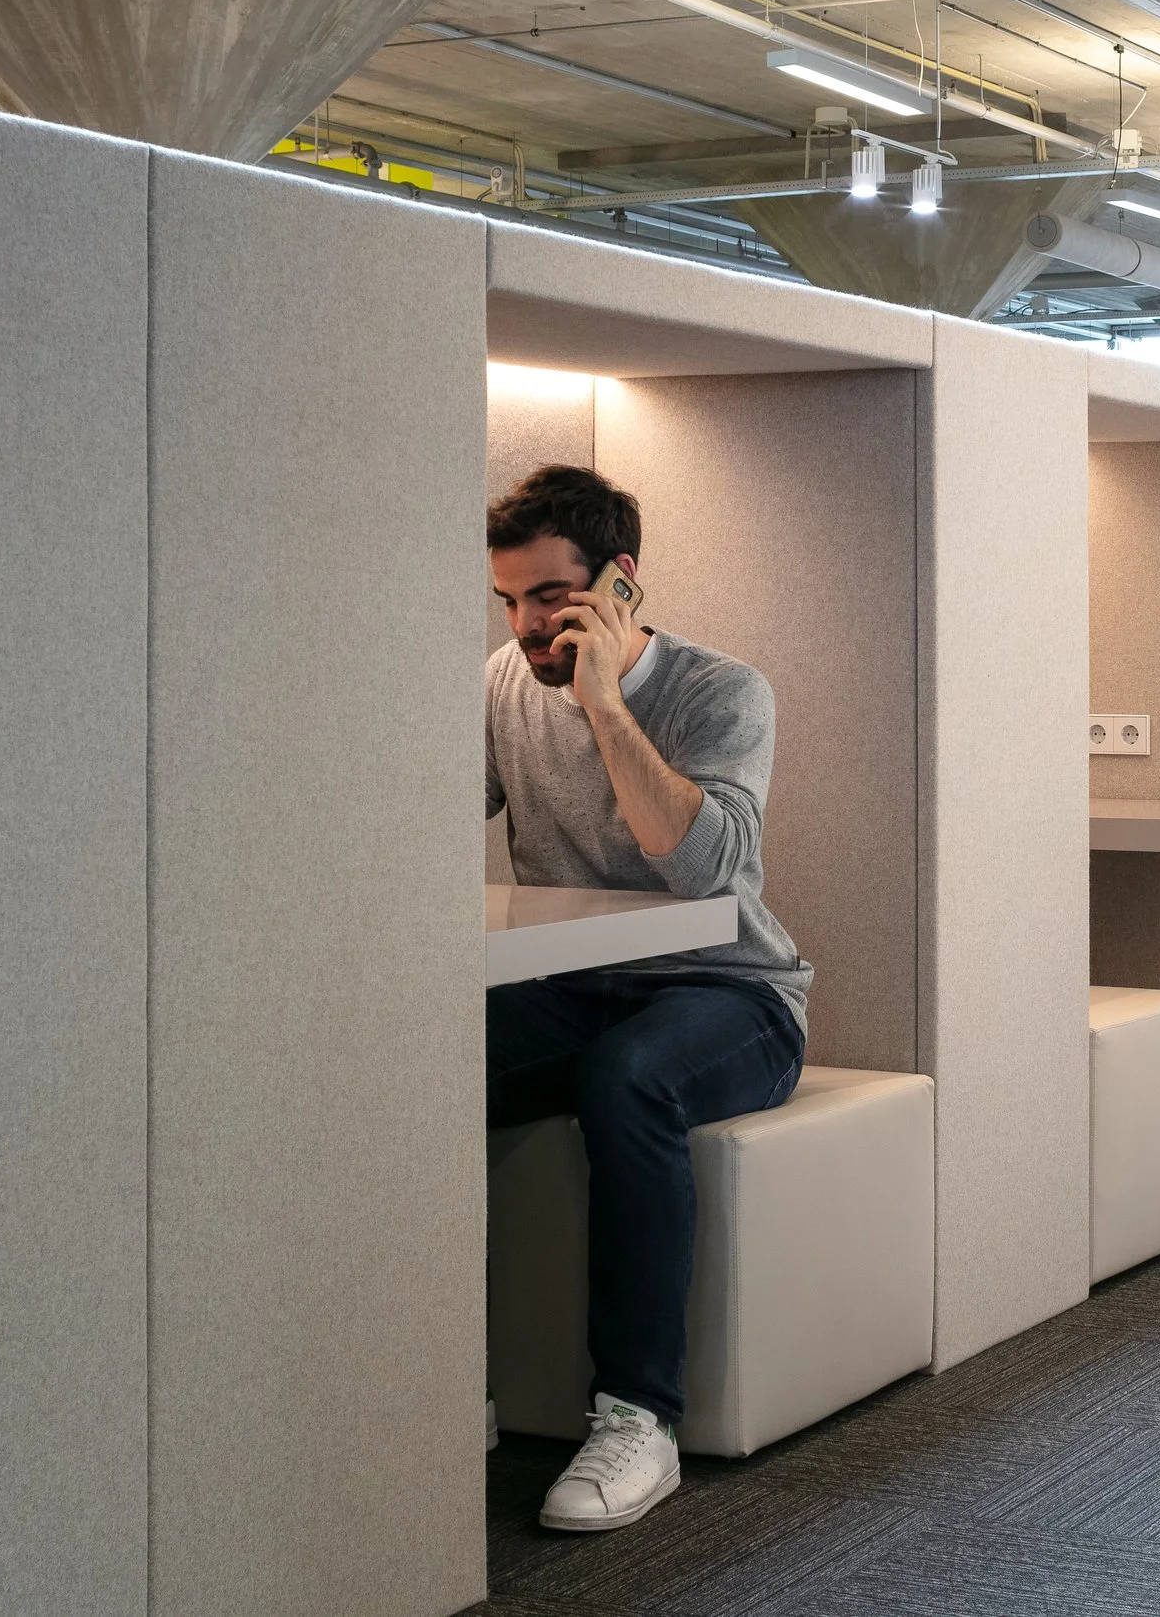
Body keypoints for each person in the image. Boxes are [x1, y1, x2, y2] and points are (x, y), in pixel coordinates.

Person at [484, 463, 812, 1532]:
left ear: (618, 581)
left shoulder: (723, 691)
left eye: (548, 597)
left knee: (626, 1076)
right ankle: (432, 1375)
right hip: (575, 988)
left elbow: (703, 870)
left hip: (733, 995)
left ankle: (638, 1418)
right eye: (508, 601)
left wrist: (604, 704)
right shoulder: (502, 684)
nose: (527, 628)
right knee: (414, 1057)